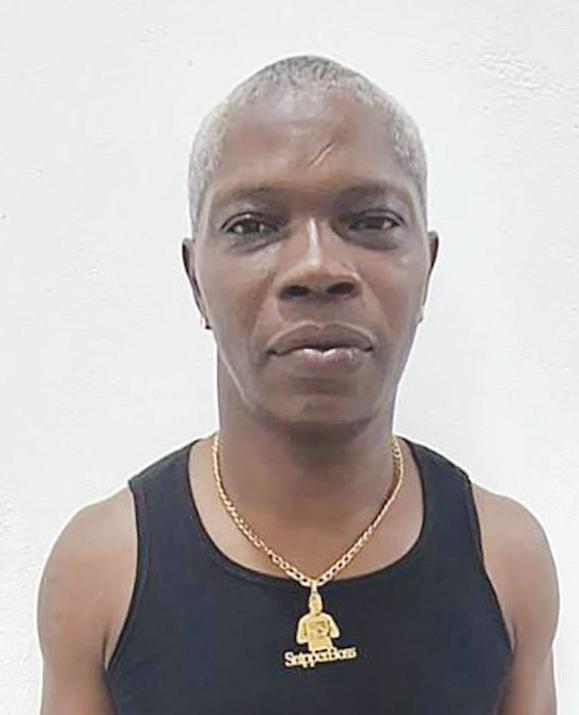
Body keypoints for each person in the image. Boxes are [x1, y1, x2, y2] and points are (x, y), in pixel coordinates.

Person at [37, 55, 560, 714]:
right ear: (196, 280)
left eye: (369, 220)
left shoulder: (505, 560)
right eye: (253, 225)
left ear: (425, 268)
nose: (316, 267)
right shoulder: (102, 571)